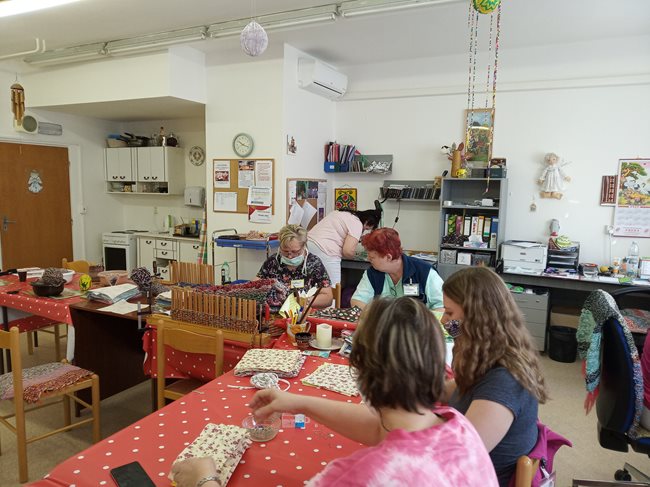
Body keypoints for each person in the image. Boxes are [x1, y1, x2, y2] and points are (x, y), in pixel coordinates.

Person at [169, 297, 498, 486]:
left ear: (361, 369)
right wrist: (299, 402)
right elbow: (381, 428)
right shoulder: (457, 427)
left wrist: (205, 480)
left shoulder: (363, 476)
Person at [441, 267, 548, 486]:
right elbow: (457, 388)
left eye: (449, 313)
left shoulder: (504, 380)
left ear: (477, 318)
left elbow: (459, 455)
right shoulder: (487, 355)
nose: (443, 320)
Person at [350, 228, 443, 310]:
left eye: (372, 257)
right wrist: (378, 316)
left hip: (418, 323)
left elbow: (442, 307)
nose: (368, 259)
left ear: (388, 257)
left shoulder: (425, 272)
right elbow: (357, 301)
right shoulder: (372, 273)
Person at [256, 224, 333, 308]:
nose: (290, 256)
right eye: (285, 251)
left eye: (295, 252)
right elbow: (253, 287)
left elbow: (328, 298)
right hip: (275, 312)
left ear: (303, 246)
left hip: (302, 312)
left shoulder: (314, 263)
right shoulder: (272, 262)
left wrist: (302, 301)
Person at [306, 208, 381, 286]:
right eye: (367, 228)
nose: (364, 230)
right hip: (325, 250)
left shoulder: (341, 213)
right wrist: (357, 256)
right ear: (367, 222)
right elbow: (347, 251)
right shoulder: (357, 223)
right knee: (334, 287)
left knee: (311, 284)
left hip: (308, 245)